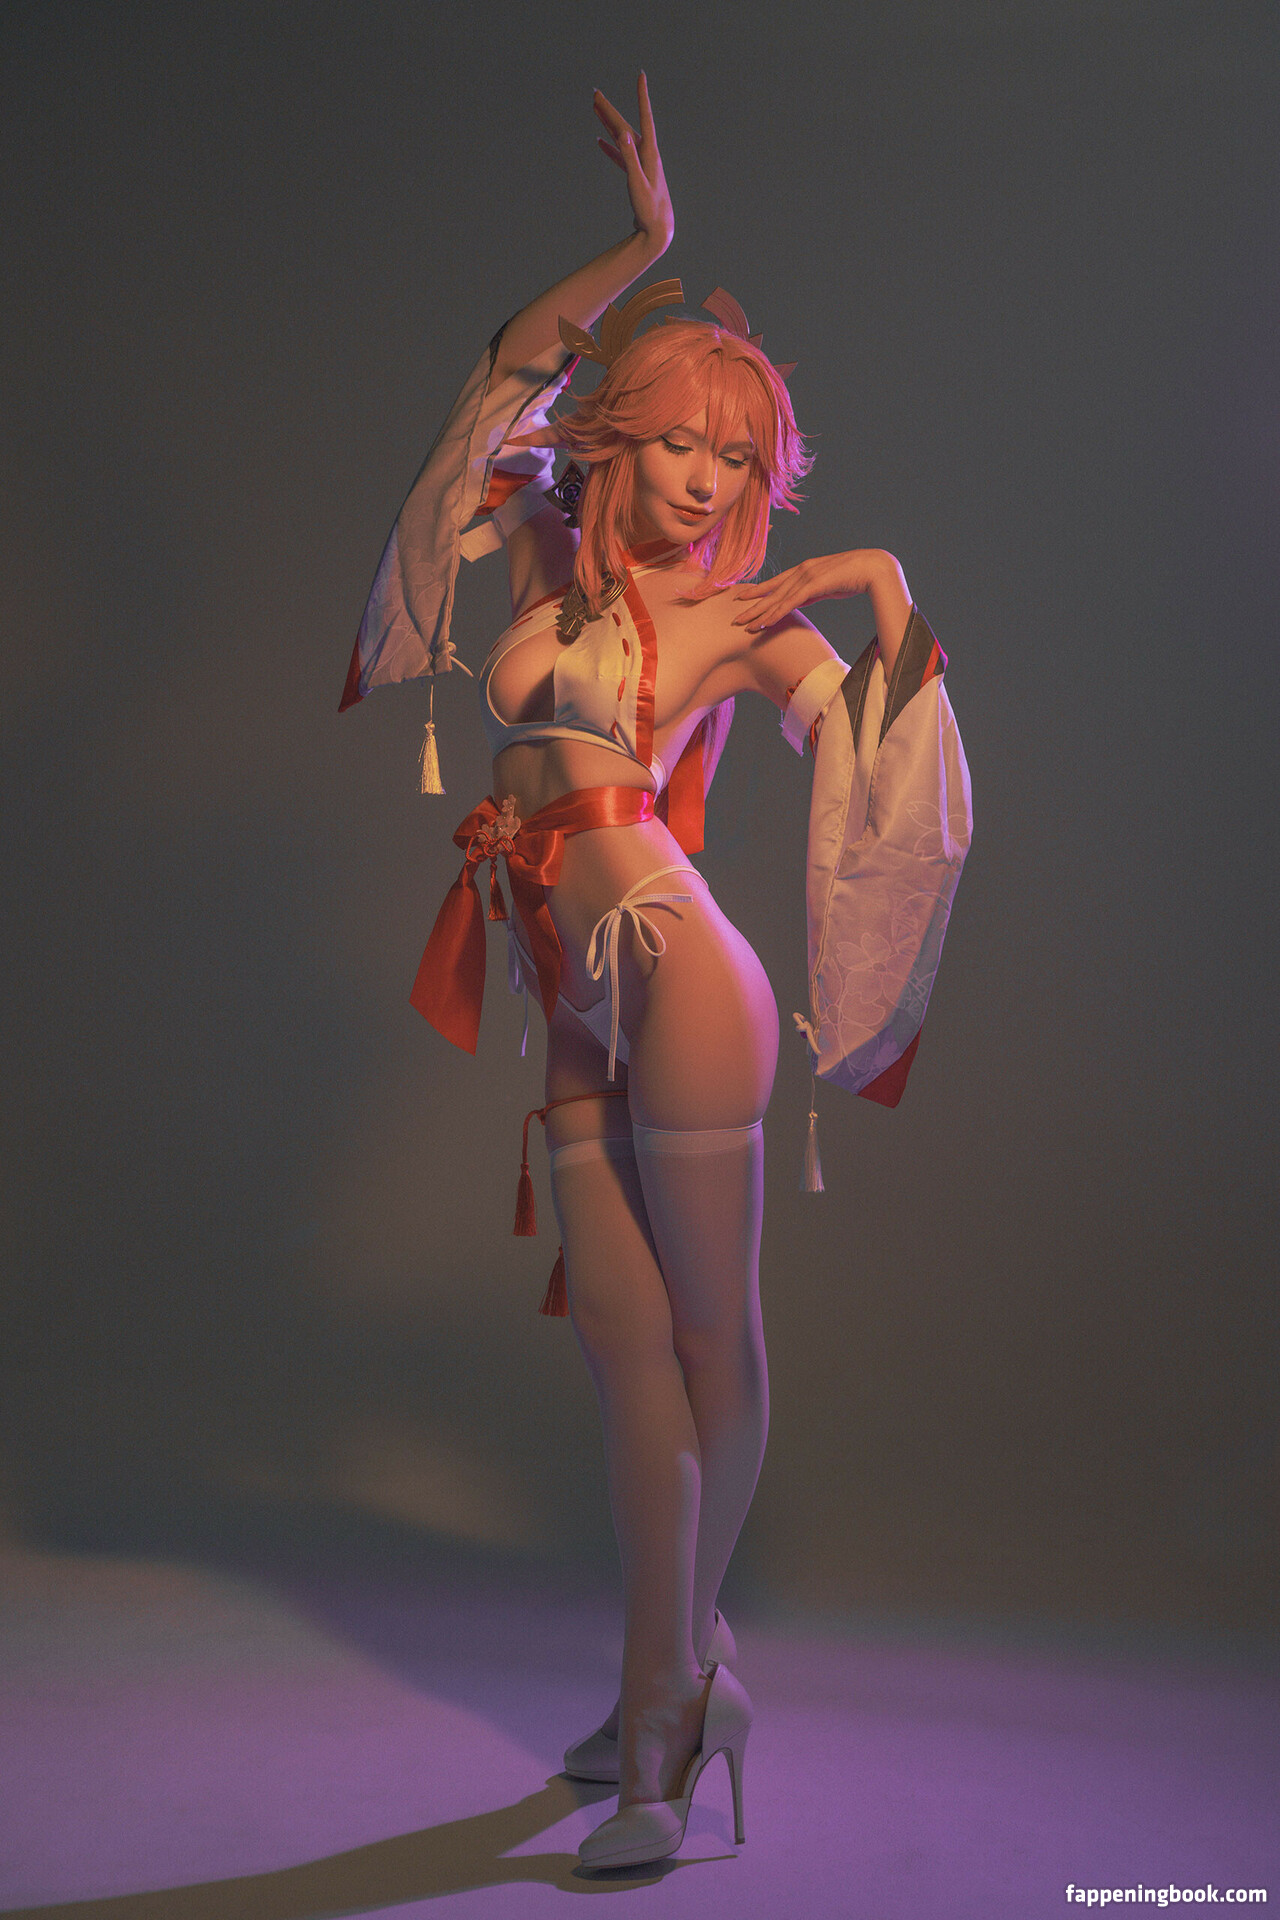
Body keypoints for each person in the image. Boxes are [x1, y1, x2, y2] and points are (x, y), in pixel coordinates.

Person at [344, 75, 970, 1871]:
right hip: (570, 999)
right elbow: (501, 378)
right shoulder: (542, 551)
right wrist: (650, 243)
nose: (705, 480)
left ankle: (662, 1723)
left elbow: (888, 763)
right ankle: (673, 1685)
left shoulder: (735, 618)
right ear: (621, 437)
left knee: (710, 1339)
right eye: (682, 442)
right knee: (628, 1363)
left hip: (684, 980)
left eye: (738, 461)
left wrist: (878, 582)